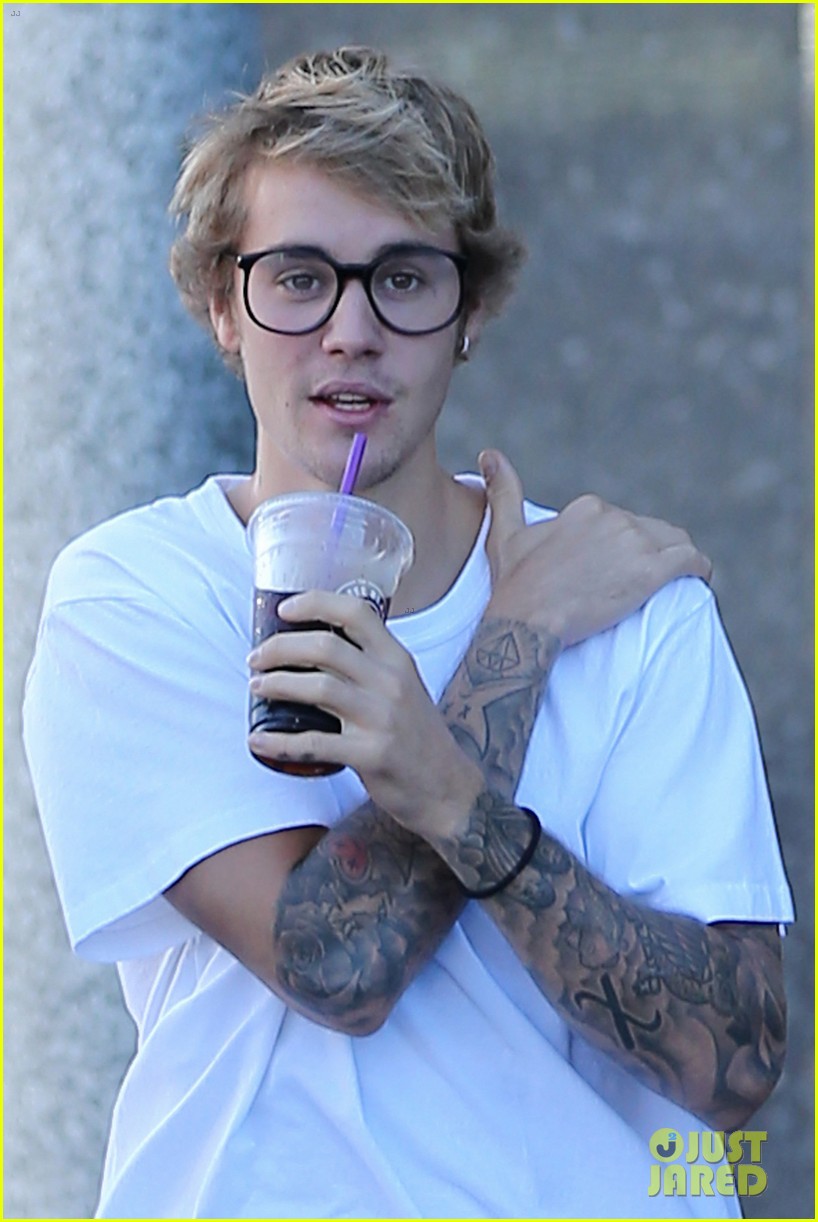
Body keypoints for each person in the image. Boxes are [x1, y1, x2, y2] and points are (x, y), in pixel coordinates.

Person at [23, 45, 793, 1219]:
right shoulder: (137, 595)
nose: (349, 331)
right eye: (297, 278)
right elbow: (333, 970)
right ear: (221, 304)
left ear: (468, 311)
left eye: (402, 278)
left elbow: (733, 1064)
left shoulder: (632, 607)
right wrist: (513, 638)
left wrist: (461, 779)